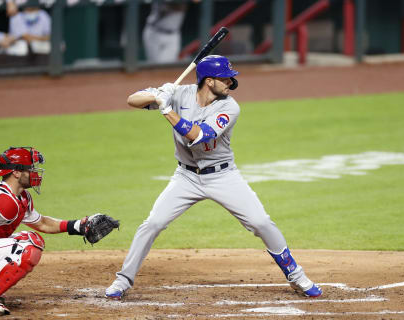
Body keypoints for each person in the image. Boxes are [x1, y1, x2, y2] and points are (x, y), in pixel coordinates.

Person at [105, 55, 322, 300]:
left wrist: (165, 109)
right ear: (209, 81)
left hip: (223, 176)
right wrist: (158, 94)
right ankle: (122, 280)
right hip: (185, 177)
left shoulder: (229, 107)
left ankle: (296, 275)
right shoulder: (180, 94)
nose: (231, 83)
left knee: (261, 223)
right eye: (226, 78)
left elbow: (198, 135)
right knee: (152, 224)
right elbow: (131, 100)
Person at [0, 147, 111, 315]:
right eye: (30, 168)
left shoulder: (21, 198)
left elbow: (42, 223)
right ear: (16, 173)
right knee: (27, 248)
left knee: (28, 238)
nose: (35, 173)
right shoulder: (2, 199)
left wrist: (77, 225)